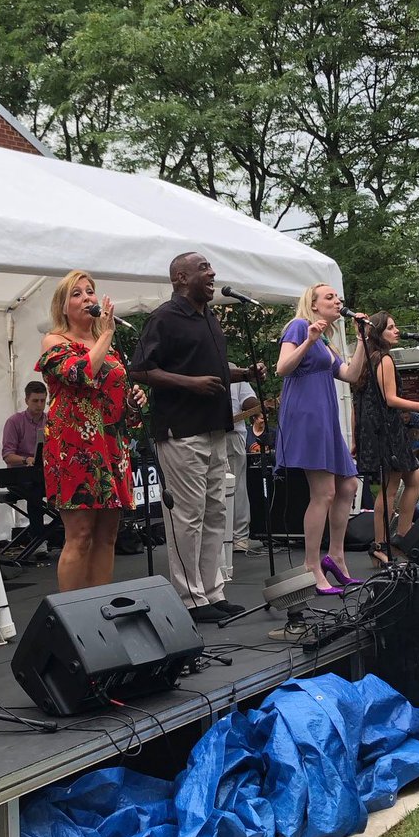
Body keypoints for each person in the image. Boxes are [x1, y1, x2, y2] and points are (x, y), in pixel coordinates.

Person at [129, 252, 263, 622]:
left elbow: (213, 371)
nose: (212, 272)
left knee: (216, 512)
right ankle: (190, 598)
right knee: (188, 517)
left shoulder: (210, 318)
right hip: (180, 430)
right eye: (203, 268)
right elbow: (140, 370)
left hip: (215, 427)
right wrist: (190, 384)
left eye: (211, 267)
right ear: (180, 278)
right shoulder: (164, 318)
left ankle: (213, 591)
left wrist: (244, 373)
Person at [37, 270, 138, 592]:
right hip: (73, 448)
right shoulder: (55, 342)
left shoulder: (107, 347)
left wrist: (135, 402)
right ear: (63, 307)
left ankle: (100, 607)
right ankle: (73, 616)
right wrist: (106, 334)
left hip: (110, 446)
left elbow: (118, 403)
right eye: (77, 294)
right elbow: (80, 374)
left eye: (90, 291)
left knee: (107, 535)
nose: (87, 298)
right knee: (79, 535)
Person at [274, 284, 366, 594]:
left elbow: (351, 375)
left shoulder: (327, 340)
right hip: (306, 416)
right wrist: (308, 340)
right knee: (323, 492)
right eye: (329, 297)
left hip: (326, 418)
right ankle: (311, 565)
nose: (337, 300)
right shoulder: (299, 326)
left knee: (349, 485)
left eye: (338, 297)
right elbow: (282, 368)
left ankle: (336, 557)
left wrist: (361, 338)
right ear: (312, 305)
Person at [352, 312, 419, 563]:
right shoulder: (383, 359)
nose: (397, 331)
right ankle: (380, 544)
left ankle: (402, 535)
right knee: (390, 488)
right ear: (378, 332)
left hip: (379, 429)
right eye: (391, 327)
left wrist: (356, 438)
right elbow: (390, 399)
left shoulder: (367, 360)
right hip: (387, 430)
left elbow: (357, 403)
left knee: (414, 477)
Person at [227, 379, 261, 553]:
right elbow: (247, 400)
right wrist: (259, 405)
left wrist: (257, 407)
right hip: (231, 435)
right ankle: (239, 538)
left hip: (205, 436)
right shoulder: (233, 369)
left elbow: (248, 401)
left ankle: (221, 539)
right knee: (236, 485)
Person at [1, 381, 47, 467]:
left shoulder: (50, 421)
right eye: (35, 401)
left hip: (44, 472)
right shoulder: (13, 422)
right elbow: (7, 456)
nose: (39, 404)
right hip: (21, 474)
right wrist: (26, 460)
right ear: (26, 401)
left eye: (42, 401)